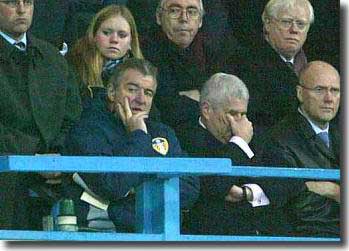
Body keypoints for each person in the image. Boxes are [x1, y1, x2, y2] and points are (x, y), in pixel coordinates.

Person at [64, 58, 199, 232]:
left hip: (157, 235)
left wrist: (136, 186)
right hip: (102, 234)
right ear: (112, 92)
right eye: (132, 89)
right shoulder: (88, 130)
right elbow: (112, 186)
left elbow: (191, 188)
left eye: (148, 93)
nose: (141, 99)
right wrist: (139, 135)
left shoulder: (163, 133)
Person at [0, 0, 82, 230]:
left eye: (28, 2)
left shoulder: (52, 58)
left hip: (53, 178)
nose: (21, 8)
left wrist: (57, 153)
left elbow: (72, 116)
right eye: (10, 2)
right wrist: (32, 156)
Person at [178, 73, 272, 235]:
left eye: (243, 114)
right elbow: (214, 185)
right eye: (233, 114)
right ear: (206, 110)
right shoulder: (187, 139)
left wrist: (246, 193)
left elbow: (287, 184)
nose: (239, 122)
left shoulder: (254, 135)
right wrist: (240, 143)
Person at [258, 61, 340, 237]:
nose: (329, 98)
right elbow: (299, 205)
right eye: (319, 90)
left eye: (335, 90)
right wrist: (337, 192)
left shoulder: (342, 133)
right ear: (300, 93)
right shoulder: (279, 139)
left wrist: (331, 190)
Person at [224, 0, 315, 138]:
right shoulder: (244, 63)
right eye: (286, 22)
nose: (294, 30)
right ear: (267, 23)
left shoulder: (316, 67)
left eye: (301, 24)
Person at [140, 0, 233, 133]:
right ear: (159, 17)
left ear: (200, 21)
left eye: (192, 12)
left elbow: (225, 103)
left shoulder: (212, 52)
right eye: (174, 11)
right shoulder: (145, 51)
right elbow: (166, 106)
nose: (184, 18)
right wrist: (204, 99)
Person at [67, 4, 143, 105]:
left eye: (122, 35)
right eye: (106, 33)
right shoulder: (74, 65)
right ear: (93, 36)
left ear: (131, 43)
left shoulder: (142, 73)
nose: (114, 40)